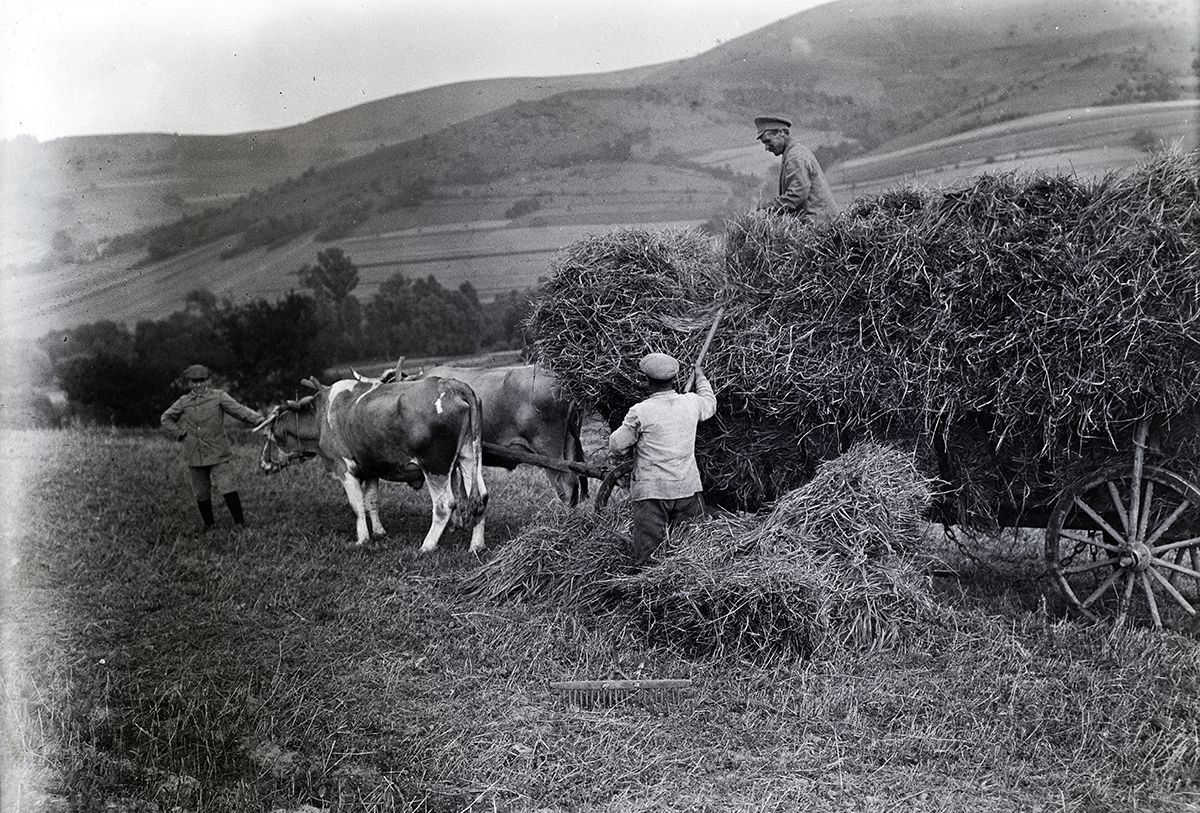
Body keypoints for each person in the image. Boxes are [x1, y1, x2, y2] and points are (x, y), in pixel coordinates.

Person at [608, 352, 718, 566]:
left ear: (648, 382)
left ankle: (648, 594)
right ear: (673, 379)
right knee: (691, 552)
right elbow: (710, 403)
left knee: (649, 558)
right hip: (687, 490)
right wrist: (701, 377)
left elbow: (616, 445)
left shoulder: (640, 412)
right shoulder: (691, 403)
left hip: (652, 495)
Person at [160, 363, 265, 530]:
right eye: (194, 382)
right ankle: (208, 525)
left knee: (227, 486)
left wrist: (260, 420)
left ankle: (240, 524)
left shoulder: (219, 397)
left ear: (208, 381)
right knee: (201, 492)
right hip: (195, 454)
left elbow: (239, 411)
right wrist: (180, 433)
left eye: (202, 381)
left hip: (217, 452)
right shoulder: (184, 401)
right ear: (189, 383)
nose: (198, 385)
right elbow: (166, 418)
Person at [754, 114, 838, 221]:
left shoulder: (795, 157)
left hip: (818, 224)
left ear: (781, 132)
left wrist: (768, 209)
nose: (766, 148)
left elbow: (797, 195)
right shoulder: (793, 153)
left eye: (768, 141)